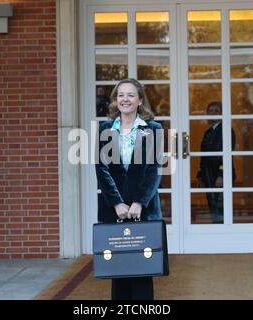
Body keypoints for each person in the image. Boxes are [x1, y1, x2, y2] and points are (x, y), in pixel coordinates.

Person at [95, 78, 164, 300]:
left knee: (143, 268)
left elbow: (153, 170)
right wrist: (116, 202)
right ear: (116, 100)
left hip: (142, 208)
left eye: (131, 95)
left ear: (140, 100)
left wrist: (138, 202)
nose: (125, 99)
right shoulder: (105, 129)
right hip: (113, 209)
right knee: (118, 267)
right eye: (121, 95)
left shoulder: (153, 129)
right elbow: (101, 169)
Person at [197, 101, 236, 223]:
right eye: (211, 110)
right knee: (213, 207)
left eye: (216, 110)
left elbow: (227, 155)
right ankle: (216, 230)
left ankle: (223, 234)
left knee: (221, 208)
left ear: (221, 113)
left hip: (220, 175)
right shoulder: (208, 132)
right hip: (208, 175)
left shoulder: (226, 130)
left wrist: (221, 175)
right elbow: (204, 157)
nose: (213, 113)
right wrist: (200, 175)